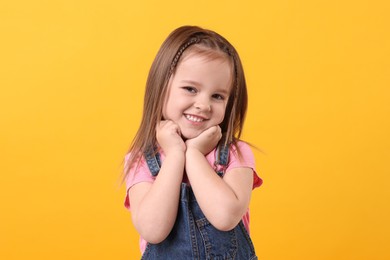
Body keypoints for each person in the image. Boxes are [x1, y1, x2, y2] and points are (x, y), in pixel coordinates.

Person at [123, 25, 263, 259]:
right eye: (190, 89)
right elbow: (153, 230)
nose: (204, 104)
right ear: (161, 87)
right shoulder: (142, 161)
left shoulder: (236, 154)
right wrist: (175, 155)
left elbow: (226, 217)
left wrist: (194, 155)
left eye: (217, 96)